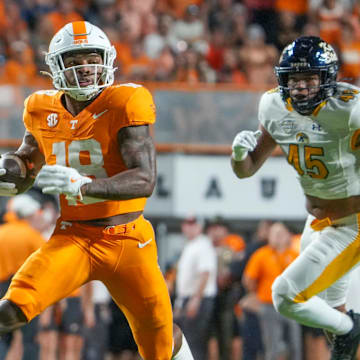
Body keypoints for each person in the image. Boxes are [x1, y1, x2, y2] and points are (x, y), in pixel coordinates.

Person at [0, 20, 193, 360]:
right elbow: (27, 163)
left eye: (91, 58)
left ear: (106, 59)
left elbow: (144, 178)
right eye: (75, 61)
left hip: (128, 238)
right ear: (57, 67)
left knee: (159, 344)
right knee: (12, 309)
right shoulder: (40, 108)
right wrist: (8, 170)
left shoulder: (125, 102)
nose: (85, 68)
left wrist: (85, 185)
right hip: (73, 236)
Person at [231, 35, 360, 359]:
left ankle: (351, 329)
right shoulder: (274, 106)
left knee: (286, 295)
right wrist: (237, 154)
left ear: (327, 78)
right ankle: (346, 337)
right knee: (331, 311)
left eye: (309, 79)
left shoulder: (350, 110)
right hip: (316, 222)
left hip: (351, 224)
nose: (300, 87)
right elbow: (246, 170)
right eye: (294, 79)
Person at [242, 222, 302, 360]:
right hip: (269, 305)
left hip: (291, 304)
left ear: (288, 236)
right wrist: (255, 295)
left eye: (281, 233)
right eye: (274, 234)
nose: (278, 237)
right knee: (272, 345)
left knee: (295, 344)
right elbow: (248, 278)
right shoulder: (262, 254)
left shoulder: (295, 255)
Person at [0, 193, 47, 360]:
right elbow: (45, 268)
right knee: (30, 337)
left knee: (3, 336)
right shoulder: (33, 236)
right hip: (25, 291)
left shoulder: (1, 232)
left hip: (1, 289)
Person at [174, 216, 217, 360]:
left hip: (199, 299)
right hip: (188, 298)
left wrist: (195, 300)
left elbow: (205, 273)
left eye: (193, 224)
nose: (189, 227)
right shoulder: (190, 245)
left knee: (194, 343)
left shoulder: (203, 244)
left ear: (199, 227)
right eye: (187, 223)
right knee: (185, 341)